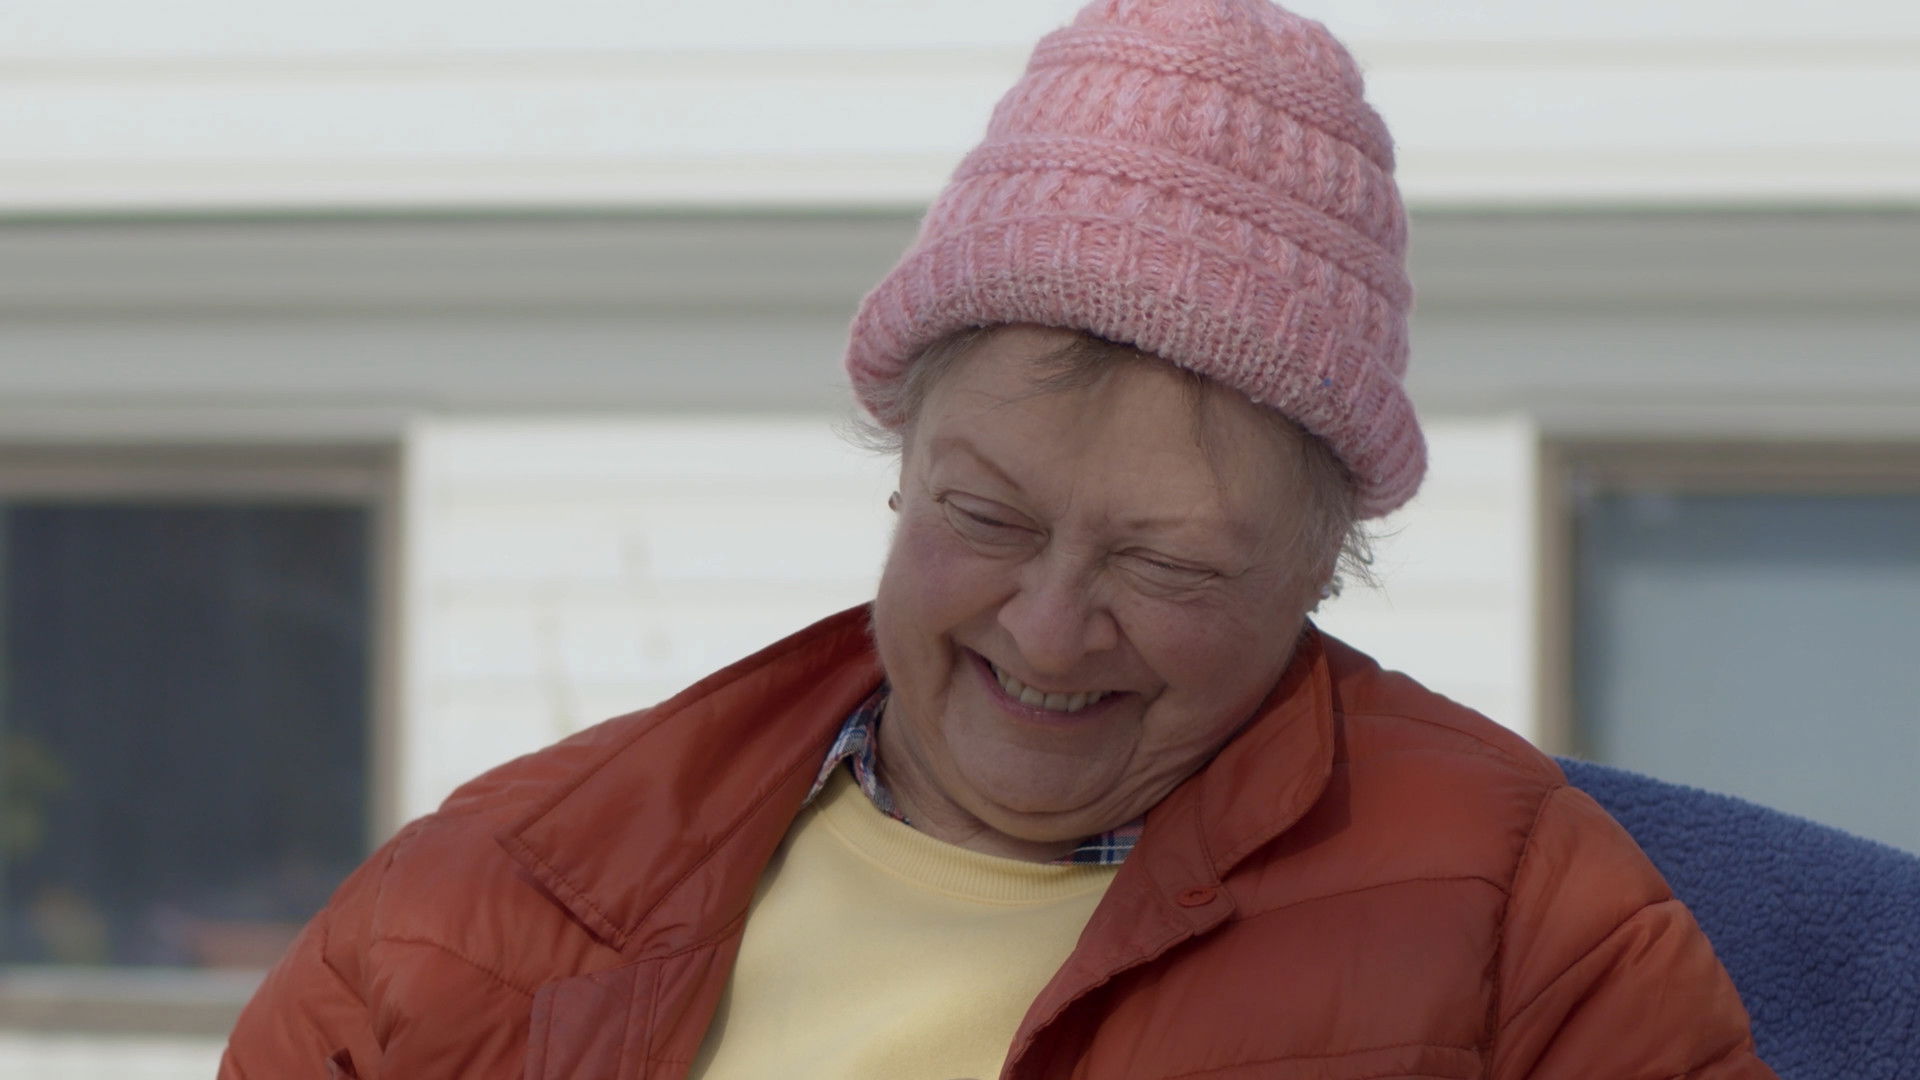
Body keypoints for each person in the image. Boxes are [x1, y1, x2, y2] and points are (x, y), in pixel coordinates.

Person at [222, 1, 1779, 1077]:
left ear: (1322, 569)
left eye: (1167, 566)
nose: (1046, 629)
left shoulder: (1532, 925)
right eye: (987, 517)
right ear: (901, 468)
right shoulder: (490, 892)